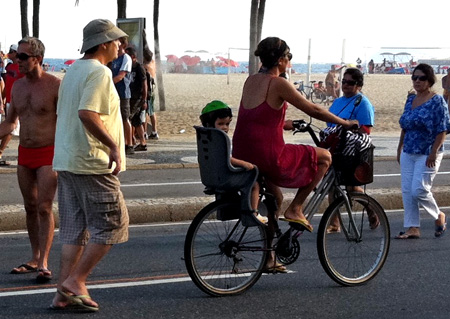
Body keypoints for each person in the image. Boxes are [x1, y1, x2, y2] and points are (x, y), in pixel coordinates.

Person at [232, 37, 357, 270]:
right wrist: (344, 122)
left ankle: (269, 259)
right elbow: (314, 109)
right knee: (325, 157)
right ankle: (297, 207)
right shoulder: (279, 83)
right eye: (289, 57)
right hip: (268, 155)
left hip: (244, 151)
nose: (289, 62)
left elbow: (258, 117)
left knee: (275, 199)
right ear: (280, 60)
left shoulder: (250, 80)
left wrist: (285, 124)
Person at [50, 19, 129, 312]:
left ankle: (62, 292)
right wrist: (112, 146)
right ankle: (76, 281)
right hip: (91, 161)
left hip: (68, 159)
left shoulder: (72, 70)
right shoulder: (99, 73)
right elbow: (87, 113)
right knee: (112, 225)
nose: (120, 46)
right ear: (104, 43)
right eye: (117, 41)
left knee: (74, 230)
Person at [0, 37, 60, 282]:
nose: (17, 61)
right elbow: (9, 122)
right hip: (25, 153)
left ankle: (44, 261)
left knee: (44, 207)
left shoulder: (55, 85)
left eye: (23, 57)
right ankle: (35, 256)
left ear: (38, 59)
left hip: (49, 153)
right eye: (17, 56)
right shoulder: (17, 86)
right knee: (30, 207)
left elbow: (68, 120)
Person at [395, 63, 450, 239]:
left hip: (428, 151)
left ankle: (438, 215)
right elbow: (405, 125)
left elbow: (442, 129)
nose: (417, 81)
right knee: (406, 190)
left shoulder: (437, 101)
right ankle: (412, 228)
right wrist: (399, 147)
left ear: (430, 80)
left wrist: (434, 152)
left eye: (422, 78)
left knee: (418, 189)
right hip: (408, 150)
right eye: (415, 77)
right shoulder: (410, 99)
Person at [324, 68, 377, 233]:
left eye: (350, 83)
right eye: (344, 82)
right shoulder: (338, 101)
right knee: (332, 185)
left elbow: (366, 130)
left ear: (359, 85)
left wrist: (348, 128)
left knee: (352, 188)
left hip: (353, 149)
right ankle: (334, 223)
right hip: (335, 147)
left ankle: (371, 210)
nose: (346, 85)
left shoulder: (363, 103)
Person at [199, 100, 267, 224]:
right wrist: (245, 164)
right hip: (225, 175)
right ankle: (253, 214)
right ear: (209, 123)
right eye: (221, 123)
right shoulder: (219, 138)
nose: (225, 127)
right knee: (254, 183)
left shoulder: (207, 136)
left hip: (213, 174)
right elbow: (226, 158)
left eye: (227, 124)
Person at [110, 37, 134, 155]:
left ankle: (129, 144)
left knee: (125, 118)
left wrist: (107, 83)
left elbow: (121, 75)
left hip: (123, 93)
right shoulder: (113, 58)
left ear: (123, 45)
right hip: (113, 92)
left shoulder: (126, 58)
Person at [0, 44, 24, 159]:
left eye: (12, 51)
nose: (10, 53)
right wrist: (3, 98)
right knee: (11, 128)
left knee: (11, 127)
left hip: (16, 101)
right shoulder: (10, 67)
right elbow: (6, 84)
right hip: (12, 101)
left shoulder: (20, 68)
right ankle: (0, 152)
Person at [125, 46, 147, 151]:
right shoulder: (129, 67)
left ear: (133, 57)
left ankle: (130, 141)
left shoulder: (139, 67)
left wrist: (144, 99)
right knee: (136, 121)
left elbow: (144, 83)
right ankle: (142, 143)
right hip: (130, 96)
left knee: (128, 118)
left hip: (137, 97)